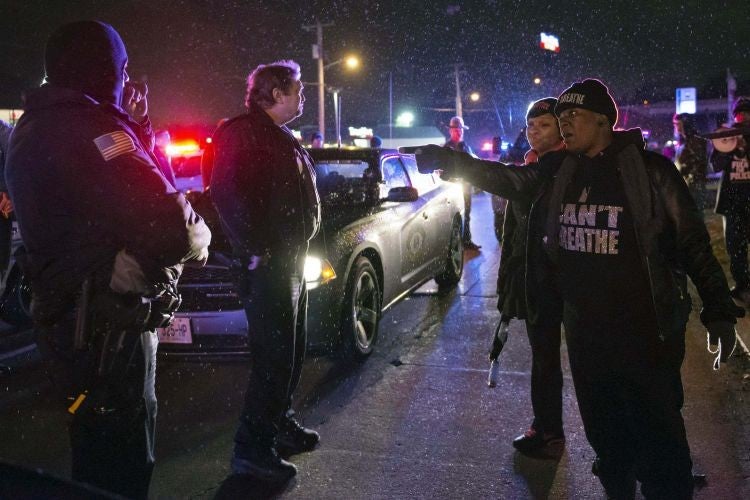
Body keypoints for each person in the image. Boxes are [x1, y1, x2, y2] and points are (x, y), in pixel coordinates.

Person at [413, 78, 742, 499]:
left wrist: (718, 309)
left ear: (604, 121)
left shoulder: (651, 173)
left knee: (661, 447)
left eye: (574, 115)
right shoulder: (559, 171)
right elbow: (511, 180)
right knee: (608, 443)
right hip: (587, 339)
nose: (564, 123)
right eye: (560, 116)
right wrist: (452, 161)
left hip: (646, 337)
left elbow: (694, 244)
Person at [5, 21, 210, 499]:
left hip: (70, 327)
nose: (127, 77)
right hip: (106, 334)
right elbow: (174, 224)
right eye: (122, 67)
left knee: (92, 454)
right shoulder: (90, 128)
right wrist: (200, 232)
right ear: (103, 71)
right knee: (121, 465)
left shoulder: (33, 125)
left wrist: (128, 125)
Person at [209, 60, 321, 482]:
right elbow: (226, 192)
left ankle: (280, 424)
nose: (303, 96)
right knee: (273, 358)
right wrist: (257, 248)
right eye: (298, 89)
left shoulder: (279, 134)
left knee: (292, 351)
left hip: (290, 259)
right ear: (275, 93)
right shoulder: (242, 132)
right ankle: (252, 450)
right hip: (269, 264)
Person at [488, 98, 567, 459]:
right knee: (545, 357)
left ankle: (615, 443)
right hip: (537, 279)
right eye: (530, 126)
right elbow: (515, 236)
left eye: (544, 125)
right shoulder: (533, 165)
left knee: (589, 362)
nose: (534, 132)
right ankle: (548, 429)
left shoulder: (565, 167)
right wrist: (510, 282)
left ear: (562, 128)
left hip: (568, 281)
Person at [711, 96, 750, 303]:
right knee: (736, 248)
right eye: (740, 113)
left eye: (747, 113)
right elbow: (715, 165)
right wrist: (732, 147)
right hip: (731, 203)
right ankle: (743, 285)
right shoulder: (726, 136)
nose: (743, 117)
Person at [445, 115, 481, 250]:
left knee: (467, 214)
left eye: (460, 129)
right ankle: (455, 244)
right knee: (454, 216)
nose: (459, 131)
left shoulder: (466, 147)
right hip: (452, 188)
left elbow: (474, 164)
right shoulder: (446, 149)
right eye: (456, 129)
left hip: (465, 186)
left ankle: (466, 240)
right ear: (450, 131)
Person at [673, 113, 708, 217]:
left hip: (694, 184)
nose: (676, 127)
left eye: (678, 124)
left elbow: (697, 163)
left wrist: (683, 171)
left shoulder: (696, 140)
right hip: (685, 183)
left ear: (685, 124)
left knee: (695, 216)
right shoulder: (682, 141)